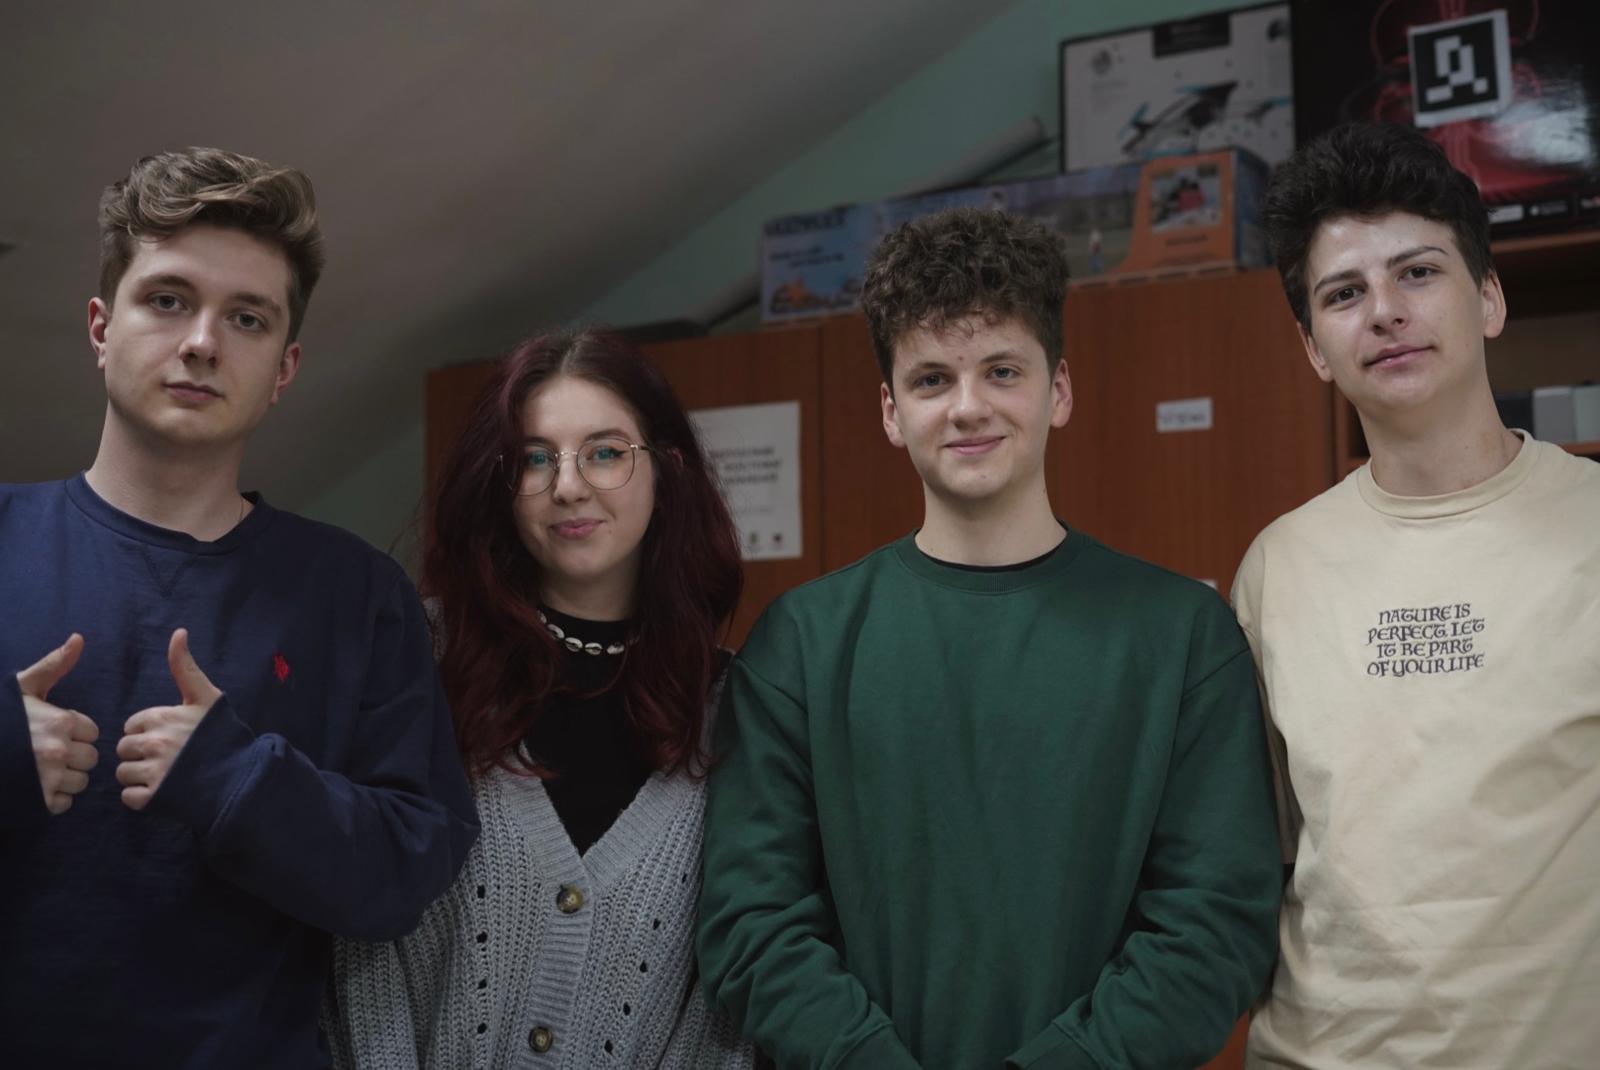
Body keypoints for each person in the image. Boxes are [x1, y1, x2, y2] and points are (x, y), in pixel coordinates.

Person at [697, 207, 1282, 1070]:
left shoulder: (1183, 639)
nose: (968, 407)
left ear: (1059, 390)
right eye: (932, 379)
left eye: (1001, 370)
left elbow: (1215, 925)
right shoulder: (802, 646)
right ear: (891, 411)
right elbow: (751, 920)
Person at [0, 148, 477, 1068]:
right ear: (101, 326)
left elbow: (406, 877)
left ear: (284, 366)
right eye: (167, 299)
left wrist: (240, 783)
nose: (202, 343)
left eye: (246, 318)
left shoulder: (356, 595)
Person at [1234, 122, 1600, 1069]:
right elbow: (1258, 856)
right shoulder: (1277, 567)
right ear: (1314, 348)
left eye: (1419, 273)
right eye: (1344, 293)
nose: (1385, 312)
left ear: (1489, 298)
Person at [327, 330, 754, 1069]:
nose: (568, 486)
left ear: (668, 469)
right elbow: (353, 935)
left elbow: (726, 999)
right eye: (533, 458)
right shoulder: (417, 655)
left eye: (606, 452)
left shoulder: (734, 706)